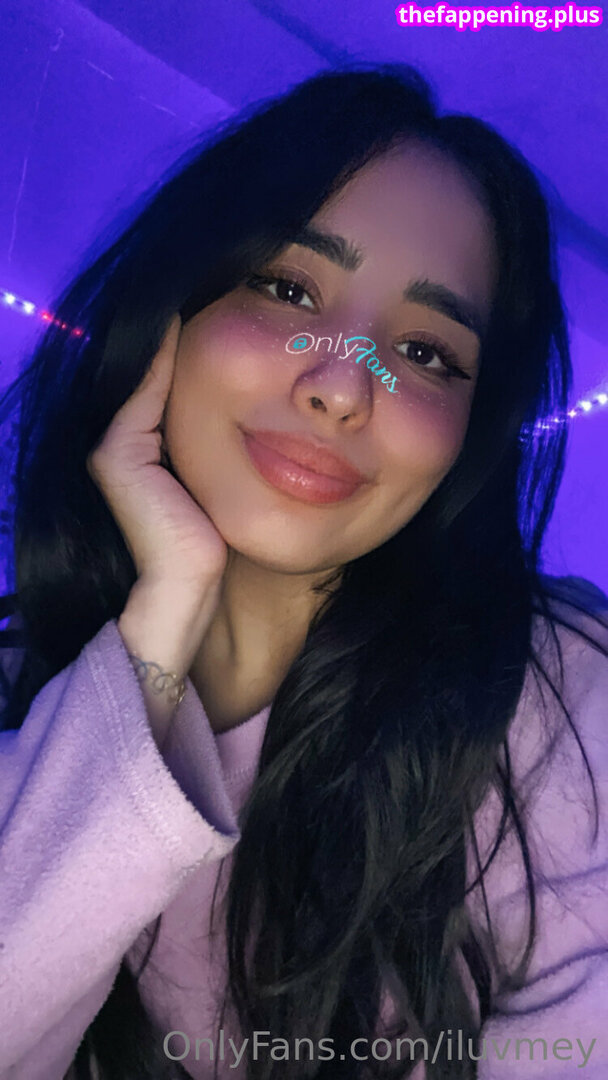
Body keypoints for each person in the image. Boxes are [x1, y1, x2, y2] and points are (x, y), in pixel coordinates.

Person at [0, 62, 606, 1080]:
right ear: (175, 306)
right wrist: (158, 633)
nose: (341, 388)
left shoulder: (568, 707)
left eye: (425, 353)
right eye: (289, 290)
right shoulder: (23, 689)